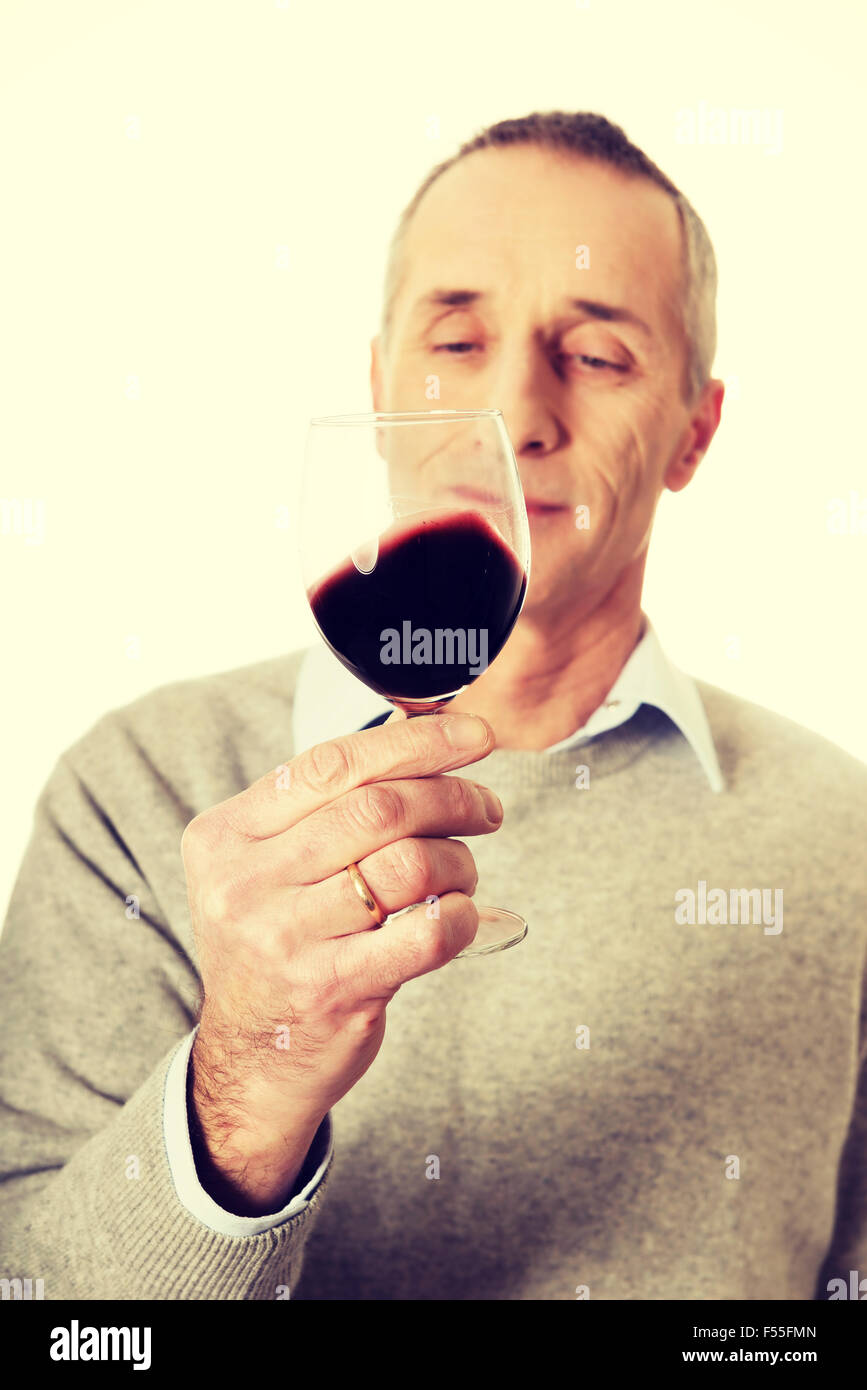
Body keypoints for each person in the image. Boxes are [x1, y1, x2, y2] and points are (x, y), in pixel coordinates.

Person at [1, 111, 865, 1302]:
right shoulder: (135, 788)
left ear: (694, 432)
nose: (514, 413)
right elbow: (48, 1319)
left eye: (600, 356)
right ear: (378, 383)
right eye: (456, 341)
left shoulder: (843, 832)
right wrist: (247, 1078)